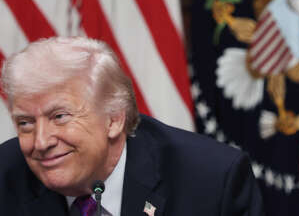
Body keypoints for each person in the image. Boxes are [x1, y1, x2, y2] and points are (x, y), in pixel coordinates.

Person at [0, 37, 264, 216]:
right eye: (26, 123)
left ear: (114, 118)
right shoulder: (5, 175)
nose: (41, 142)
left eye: (59, 117)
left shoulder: (212, 181)